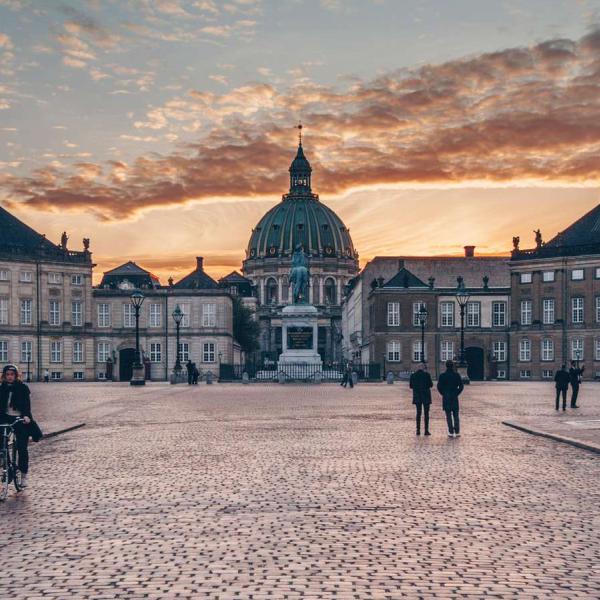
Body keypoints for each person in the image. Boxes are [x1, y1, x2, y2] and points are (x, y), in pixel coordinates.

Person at [0, 364, 42, 488]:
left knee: (22, 448)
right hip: (5, 418)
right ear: (4, 376)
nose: (9, 377)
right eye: (7, 375)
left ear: (16, 376)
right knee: (1, 444)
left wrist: (26, 416)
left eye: (12, 375)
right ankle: (8, 468)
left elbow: (26, 405)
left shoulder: (23, 388)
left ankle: (23, 476)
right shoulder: (1, 388)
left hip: (20, 418)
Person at [437, 360, 464, 438]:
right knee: (456, 415)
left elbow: (439, 387)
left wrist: (443, 394)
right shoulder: (456, 375)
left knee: (448, 415)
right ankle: (457, 431)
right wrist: (457, 393)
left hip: (446, 397)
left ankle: (451, 431)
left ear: (446, 366)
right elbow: (461, 386)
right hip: (454, 397)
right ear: (453, 366)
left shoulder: (442, 375)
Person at [409, 363, 433, 436]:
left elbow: (411, 386)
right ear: (423, 368)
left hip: (417, 396)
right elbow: (431, 385)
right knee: (426, 414)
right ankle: (426, 430)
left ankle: (418, 430)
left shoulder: (413, 375)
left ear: (417, 368)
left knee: (418, 414)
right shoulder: (427, 375)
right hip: (426, 396)